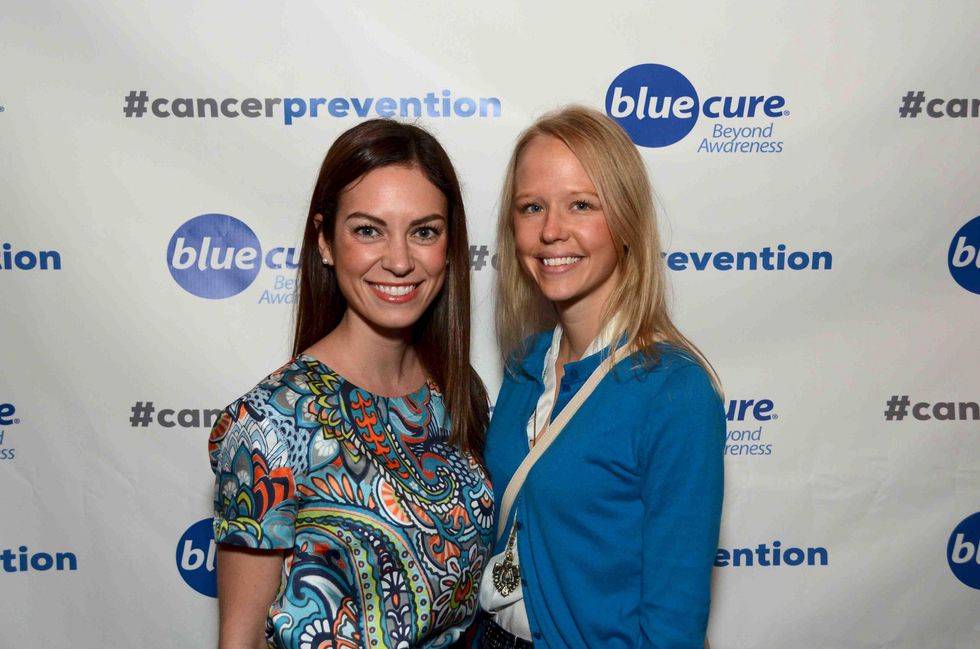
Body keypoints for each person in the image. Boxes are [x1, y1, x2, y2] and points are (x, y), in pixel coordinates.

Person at [208, 119, 493, 649]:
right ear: (325, 241)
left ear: (449, 246)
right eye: (368, 230)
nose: (401, 259)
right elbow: (239, 640)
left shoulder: (458, 393)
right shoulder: (269, 424)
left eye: (424, 231)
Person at [477, 106, 725, 649]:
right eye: (531, 207)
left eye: (581, 205)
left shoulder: (674, 391)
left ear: (626, 220)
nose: (550, 231)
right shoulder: (524, 367)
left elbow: (674, 623)